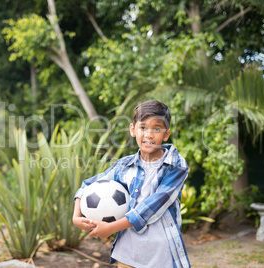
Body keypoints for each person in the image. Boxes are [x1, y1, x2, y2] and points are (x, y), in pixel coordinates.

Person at [72, 100, 191, 268]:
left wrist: (111, 228)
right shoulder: (124, 166)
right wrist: (77, 217)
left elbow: (150, 208)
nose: (149, 134)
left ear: (166, 134)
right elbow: (87, 185)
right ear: (133, 130)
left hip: (160, 256)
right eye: (143, 127)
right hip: (127, 254)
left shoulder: (175, 166)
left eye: (156, 129)